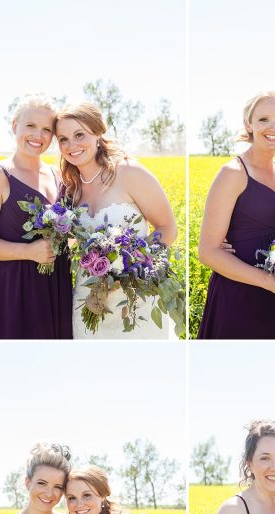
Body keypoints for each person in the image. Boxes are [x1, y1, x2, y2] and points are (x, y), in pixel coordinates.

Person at [55, 101, 178, 339]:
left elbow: (168, 228)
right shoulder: (70, 187)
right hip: (88, 298)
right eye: (63, 139)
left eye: (79, 134)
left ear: (98, 133)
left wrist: (128, 268)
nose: (72, 145)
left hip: (134, 297)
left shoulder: (129, 172)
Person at [0, 94, 73, 339]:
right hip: (13, 290)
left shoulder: (59, 175)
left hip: (55, 284)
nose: (38, 136)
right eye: (31, 126)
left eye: (47, 129)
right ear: (15, 126)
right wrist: (27, 252)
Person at [196, 92, 275, 339]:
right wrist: (269, 282)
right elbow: (207, 251)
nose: (273, 127)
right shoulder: (233, 173)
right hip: (239, 294)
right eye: (263, 119)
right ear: (248, 124)